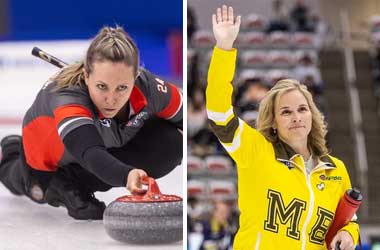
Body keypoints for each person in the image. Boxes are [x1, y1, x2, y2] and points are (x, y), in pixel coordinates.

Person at [206, 5, 359, 250]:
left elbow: (349, 220)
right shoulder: (255, 150)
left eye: (302, 109)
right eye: (286, 112)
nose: (296, 117)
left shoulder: (336, 170)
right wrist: (224, 48)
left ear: (312, 115)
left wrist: (349, 234)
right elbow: (218, 114)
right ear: (274, 122)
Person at [0, 26, 183, 220]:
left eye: (122, 87)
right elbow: (90, 153)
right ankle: (10, 154)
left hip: (104, 143)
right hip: (49, 158)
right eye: (102, 86)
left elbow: (187, 119)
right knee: (38, 189)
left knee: (171, 143)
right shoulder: (67, 98)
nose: (111, 99)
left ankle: (77, 181)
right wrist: (126, 174)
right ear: (87, 76)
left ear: (136, 77)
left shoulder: (150, 88)